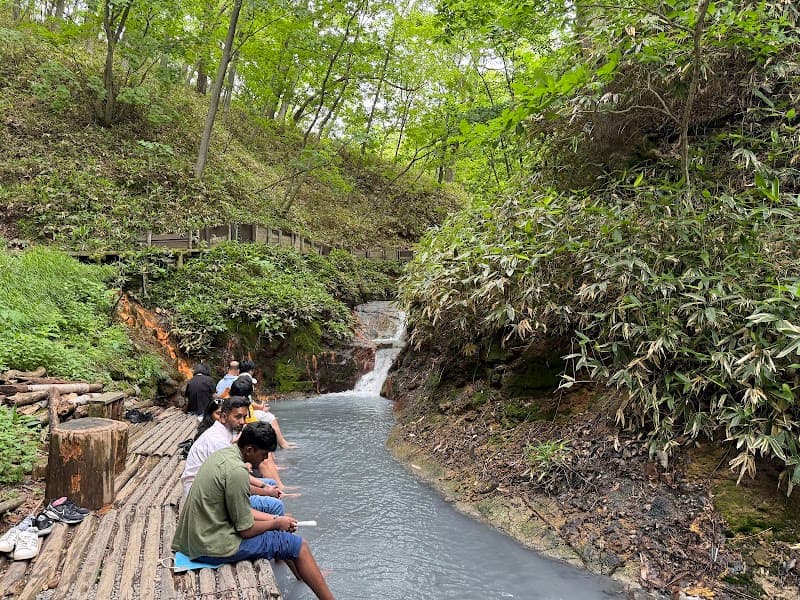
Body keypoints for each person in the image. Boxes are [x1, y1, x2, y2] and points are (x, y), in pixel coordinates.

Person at [172, 422, 335, 600]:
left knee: (283, 532)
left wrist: (276, 519)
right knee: (299, 545)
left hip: (200, 536)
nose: (265, 459)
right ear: (250, 450)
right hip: (211, 546)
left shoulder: (224, 454)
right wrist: (275, 523)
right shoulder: (237, 472)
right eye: (263, 454)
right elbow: (245, 530)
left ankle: (303, 574)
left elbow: (241, 511)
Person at [181, 397, 284, 516]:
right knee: (275, 505)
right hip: (203, 498)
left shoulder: (222, 433)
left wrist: (264, 486)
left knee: (270, 483)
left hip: (213, 488)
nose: (242, 421)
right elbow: (233, 484)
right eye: (238, 417)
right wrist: (265, 491)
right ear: (224, 417)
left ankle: (273, 520)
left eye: (244, 417)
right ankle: (275, 522)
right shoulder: (218, 442)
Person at [230, 373, 295, 449]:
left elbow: (251, 407)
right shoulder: (234, 403)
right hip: (243, 425)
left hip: (249, 420)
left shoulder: (243, 398)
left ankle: (282, 442)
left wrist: (261, 408)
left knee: (269, 417)